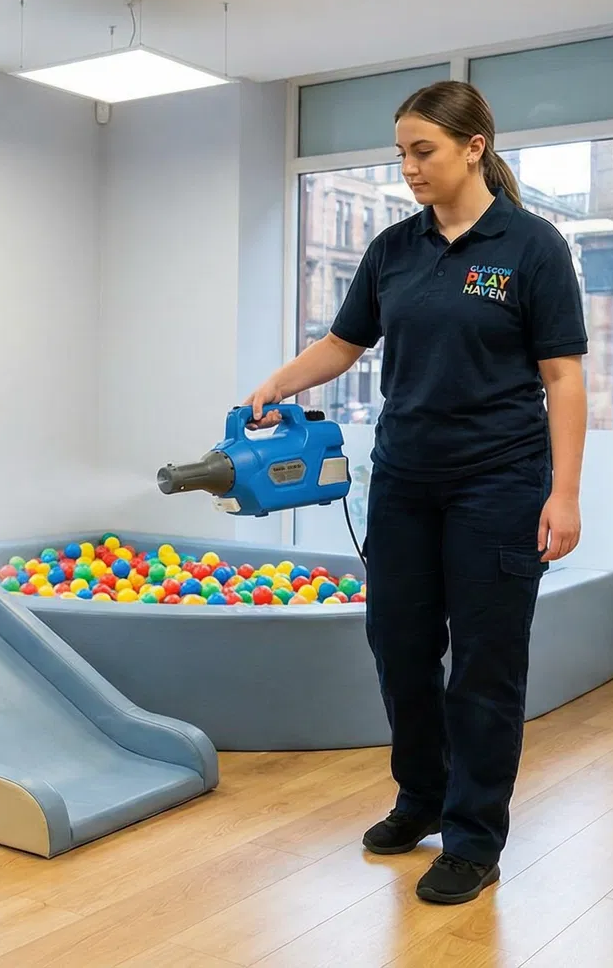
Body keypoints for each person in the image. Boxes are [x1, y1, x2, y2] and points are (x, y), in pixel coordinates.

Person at [244, 80, 588, 905]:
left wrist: (564, 493)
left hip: (500, 484)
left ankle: (474, 836)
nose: (408, 168)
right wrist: (274, 388)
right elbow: (343, 341)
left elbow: (565, 377)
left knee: (484, 666)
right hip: (401, 480)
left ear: (475, 147)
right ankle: (421, 797)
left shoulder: (532, 247)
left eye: (423, 150)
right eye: (401, 152)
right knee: (399, 650)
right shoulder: (395, 250)